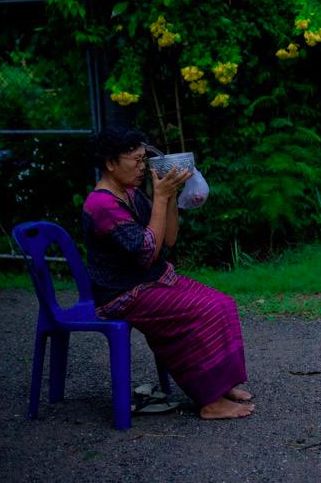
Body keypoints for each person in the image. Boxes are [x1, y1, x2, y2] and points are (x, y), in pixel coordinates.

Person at [82, 127, 254, 419]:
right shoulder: (101, 204)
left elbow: (168, 240)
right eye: (136, 160)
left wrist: (170, 195)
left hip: (149, 281)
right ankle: (209, 401)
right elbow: (147, 250)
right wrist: (159, 198)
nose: (143, 166)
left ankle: (220, 385)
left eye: (143, 159)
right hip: (123, 293)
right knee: (205, 310)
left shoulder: (131, 195)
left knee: (223, 303)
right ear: (111, 163)